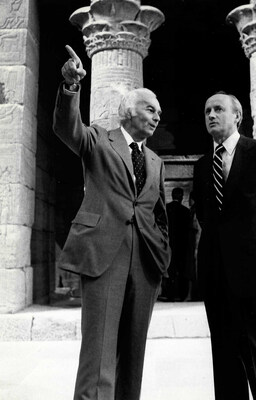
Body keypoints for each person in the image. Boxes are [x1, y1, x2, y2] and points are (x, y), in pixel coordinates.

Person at [53, 45, 171, 400]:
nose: (156, 117)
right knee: (99, 354)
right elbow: (66, 128)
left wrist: (162, 252)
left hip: (145, 262)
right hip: (105, 255)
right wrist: (70, 87)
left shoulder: (156, 161)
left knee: (133, 357)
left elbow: (160, 214)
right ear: (129, 111)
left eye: (159, 112)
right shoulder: (98, 139)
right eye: (150, 109)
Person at [193, 91, 256, 400]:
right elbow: (206, 220)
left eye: (219, 109)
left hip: (255, 276)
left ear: (237, 116)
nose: (211, 115)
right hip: (215, 276)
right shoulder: (201, 166)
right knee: (224, 358)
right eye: (207, 110)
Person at [163, 187, 190, 301]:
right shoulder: (186, 211)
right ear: (182, 197)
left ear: (172, 196)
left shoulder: (166, 209)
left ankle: (170, 294)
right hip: (182, 245)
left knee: (170, 269)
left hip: (169, 243)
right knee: (182, 269)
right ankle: (181, 294)